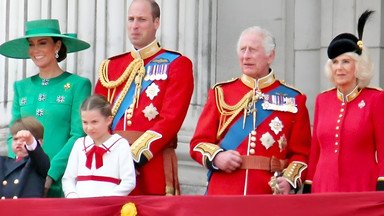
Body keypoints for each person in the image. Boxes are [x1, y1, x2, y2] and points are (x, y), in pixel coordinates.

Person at [190, 26, 311, 195]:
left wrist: (289, 180)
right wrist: (217, 157)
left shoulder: (294, 99)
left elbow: (301, 154)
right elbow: (198, 143)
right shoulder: (221, 93)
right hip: (224, 192)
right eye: (242, 50)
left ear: (270, 56)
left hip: (267, 193)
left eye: (253, 50)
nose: (246, 56)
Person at [94, 0, 194, 195]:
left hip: (151, 161)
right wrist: (106, 153)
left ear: (156, 23)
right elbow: (96, 114)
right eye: (131, 19)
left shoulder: (177, 64)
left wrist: (133, 154)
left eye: (142, 20)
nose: (135, 26)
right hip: (110, 161)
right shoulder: (111, 67)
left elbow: (171, 120)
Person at [0, 19, 91, 197]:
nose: (36, 50)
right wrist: (20, 166)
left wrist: (50, 173)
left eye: (42, 43)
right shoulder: (21, 87)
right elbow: (13, 135)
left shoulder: (78, 85)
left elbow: (78, 135)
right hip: (24, 180)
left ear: (57, 46)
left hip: (62, 180)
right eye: (31, 44)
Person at [303, 10, 384, 193]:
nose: (339, 68)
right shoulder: (322, 100)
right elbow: (316, 151)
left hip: (362, 187)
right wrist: (308, 186)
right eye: (335, 62)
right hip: (323, 188)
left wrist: (382, 185)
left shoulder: (376, 99)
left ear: (359, 65)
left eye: (346, 62)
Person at [62, 95, 136, 198]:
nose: (89, 127)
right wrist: (73, 197)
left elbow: (129, 181)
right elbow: (68, 178)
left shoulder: (120, 145)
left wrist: (107, 200)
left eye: (94, 122)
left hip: (108, 207)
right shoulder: (79, 144)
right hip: (79, 207)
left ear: (108, 120)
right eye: (85, 122)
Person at [0, 116, 50, 199]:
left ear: (39, 143)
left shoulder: (38, 163)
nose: (18, 142)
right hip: (5, 209)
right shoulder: (4, 162)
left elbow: (38, 155)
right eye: (15, 139)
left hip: (28, 209)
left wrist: (30, 141)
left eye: (24, 140)